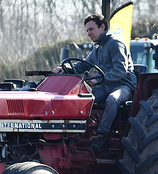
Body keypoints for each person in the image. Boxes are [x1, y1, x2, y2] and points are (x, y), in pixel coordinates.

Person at [52, 14, 137, 152]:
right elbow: (82, 66)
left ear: (102, 27)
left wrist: (98, 79)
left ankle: (101, 134)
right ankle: (78, 131)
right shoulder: (97, 48)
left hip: (123, 85)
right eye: (87, 30)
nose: (88, 33)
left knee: (112, 100)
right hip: (105, 85)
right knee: (83, 99)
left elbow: (121, 70)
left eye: (91, 29)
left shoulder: (115, 43)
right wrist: (63, 69)